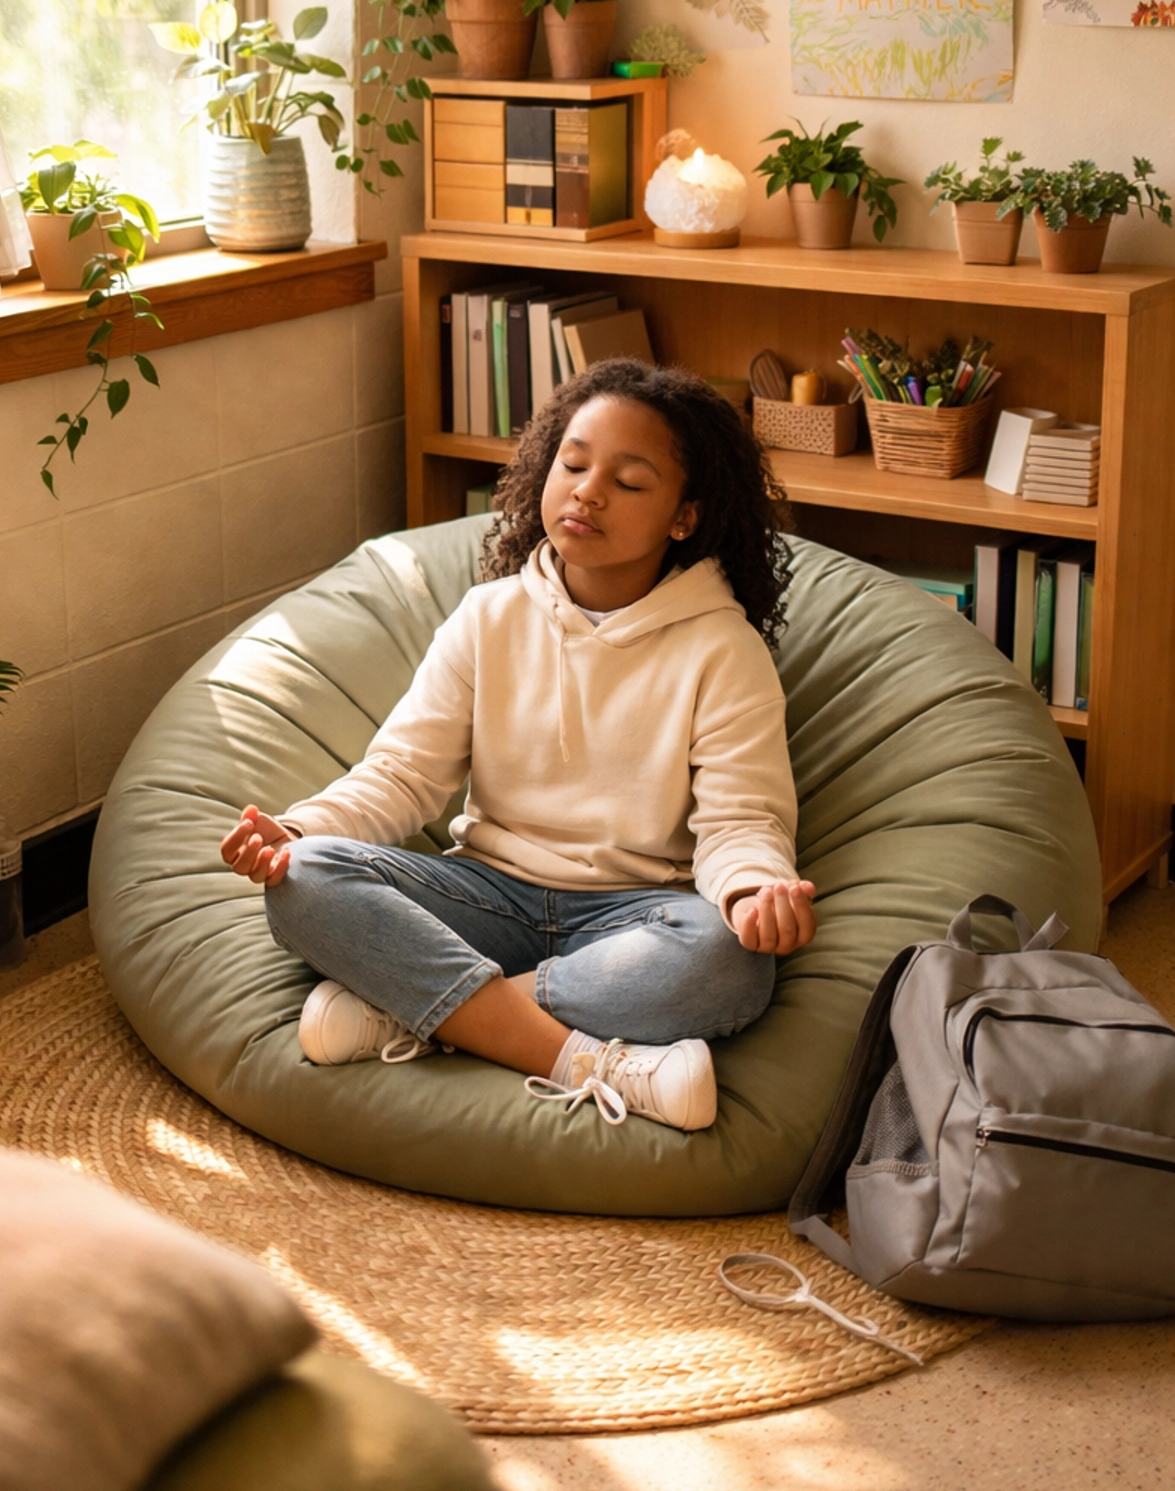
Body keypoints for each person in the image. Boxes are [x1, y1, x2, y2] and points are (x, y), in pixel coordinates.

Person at [221, 358, 815, 1134]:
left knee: (727, 963)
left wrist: (753, 891)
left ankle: (414, 1008)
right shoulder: (488, 615)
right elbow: (401, 776)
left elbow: (740, 820)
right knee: (306, 876)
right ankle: (588, 1063)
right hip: (483, 895)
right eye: (572, 464)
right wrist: (295, 833)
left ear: (684, 516)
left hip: (636, 919)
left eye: (629, 482)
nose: (587, 491)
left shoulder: (722, 649)